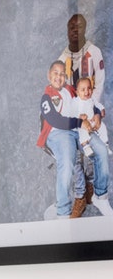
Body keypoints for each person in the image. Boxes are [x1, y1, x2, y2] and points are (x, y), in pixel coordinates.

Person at [40, 61, 91, 219]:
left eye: (62, 74)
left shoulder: (70, 90)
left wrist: (90, 114)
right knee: (68, 162)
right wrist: (79, 122)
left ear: (66, 77)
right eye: (55, 73)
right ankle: (63, 211)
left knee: (99, 149)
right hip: (60, 133)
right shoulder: (47, 97)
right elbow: (56, 120)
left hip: (77, 130)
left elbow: (84, 102)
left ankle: (86, 192)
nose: (59, 77)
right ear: (49, 75)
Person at [66, 75, 112, 215]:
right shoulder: (74, 101)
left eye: (89, 89)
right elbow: (69, 114)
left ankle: (100, 196)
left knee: (102, 149)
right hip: (77, 130)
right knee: (95, 155)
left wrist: (98, 114)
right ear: (77, 91)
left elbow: (96, 106)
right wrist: (81, 119)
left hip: (91, 128)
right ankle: (92, 195)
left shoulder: (90, 98)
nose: (86, 92)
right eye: (83, 90)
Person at [59, 13, 104, 108]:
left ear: (84, 30)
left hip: (90, 110)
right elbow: (58, 89)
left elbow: (99, 83)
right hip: (70, 113)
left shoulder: (94, 52)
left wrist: (90, 107)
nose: (75, 30)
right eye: (72, 28)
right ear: (67, 31)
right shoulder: (62, 60)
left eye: (79, 27)